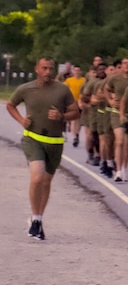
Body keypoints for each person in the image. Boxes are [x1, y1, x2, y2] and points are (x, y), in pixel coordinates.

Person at [6, 57, 79, 240]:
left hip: (54, 141)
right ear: (37, 69)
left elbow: (76, 112)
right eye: (44, 68)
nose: (48, 72)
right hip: (32, 139)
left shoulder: (62, 89)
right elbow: (10, 105)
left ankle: (37, 218)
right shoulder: (26, 89)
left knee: (46, 181)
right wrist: (22, 121)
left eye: (50, 68)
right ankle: (36, 219)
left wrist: (62, 116)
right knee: (37, 176)